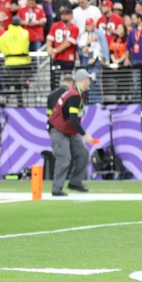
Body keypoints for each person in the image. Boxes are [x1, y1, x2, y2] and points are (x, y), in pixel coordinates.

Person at [47, 68, 99, 196]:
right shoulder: (74, 96)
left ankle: (75, 182)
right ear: (84, 80)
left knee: (83, 153)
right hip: (59, 129)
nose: (90, 83)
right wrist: (85, 135)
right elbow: (73, 119)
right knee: (64, 158)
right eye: (89, 80)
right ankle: (56, 188)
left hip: (68, 129)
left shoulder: (77, 93)